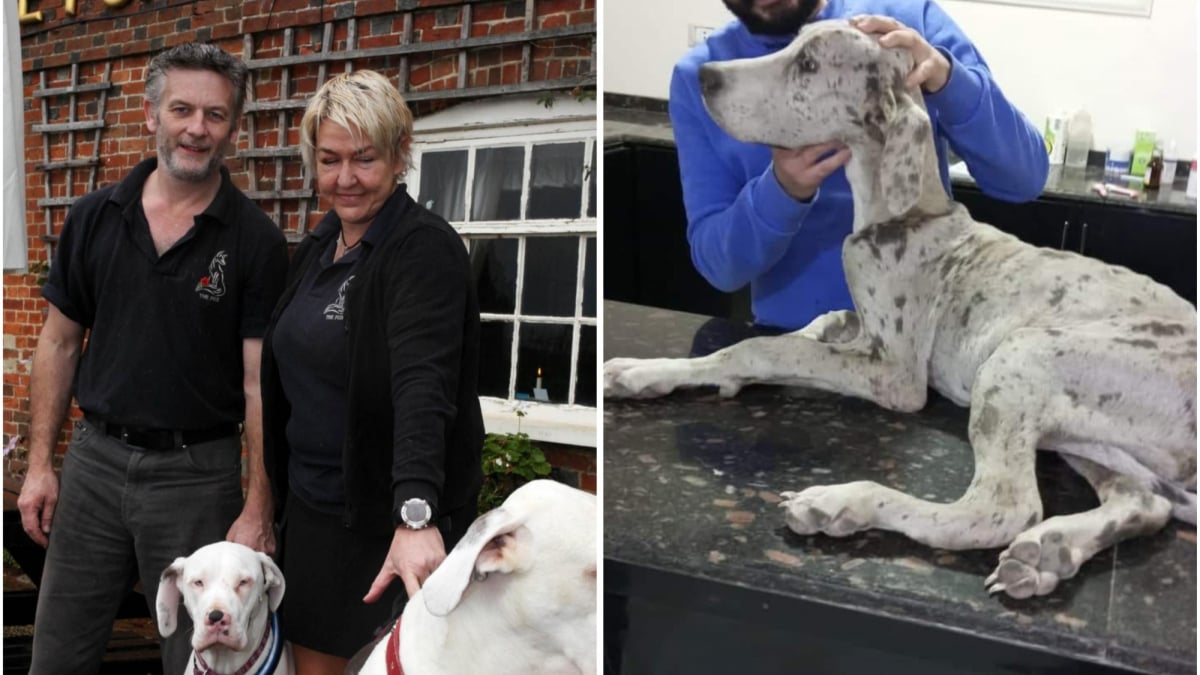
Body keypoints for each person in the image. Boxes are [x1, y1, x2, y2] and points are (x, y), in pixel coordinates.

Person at [16, 42, 288, 674]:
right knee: (58, 652)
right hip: (93, 466)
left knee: (197, 658)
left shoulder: (256, 241)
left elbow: (259, 385)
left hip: (197, 476)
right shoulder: (92, 218)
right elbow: (57, 342)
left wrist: (257, 505)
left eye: (216, 115)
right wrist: (39, 466)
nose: (197, 128)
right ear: (150, 114)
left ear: (232, 128)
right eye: (182, 109)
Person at [260, 69, 485, 674]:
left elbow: (423, 384)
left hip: (382, 521)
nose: (345, 178)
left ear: (398, 155)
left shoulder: (422, 250)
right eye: (329, 160)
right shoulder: (318, 247)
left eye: (364, 159)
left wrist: (415, 514)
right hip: (312, 511)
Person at [670, 0, 1050, 330]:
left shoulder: (906, 23)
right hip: (795, 348)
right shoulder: (705, 79)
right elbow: (720, 267)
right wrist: (782, 190)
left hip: (928, 342)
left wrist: (948, 82)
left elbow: (1024, 177)